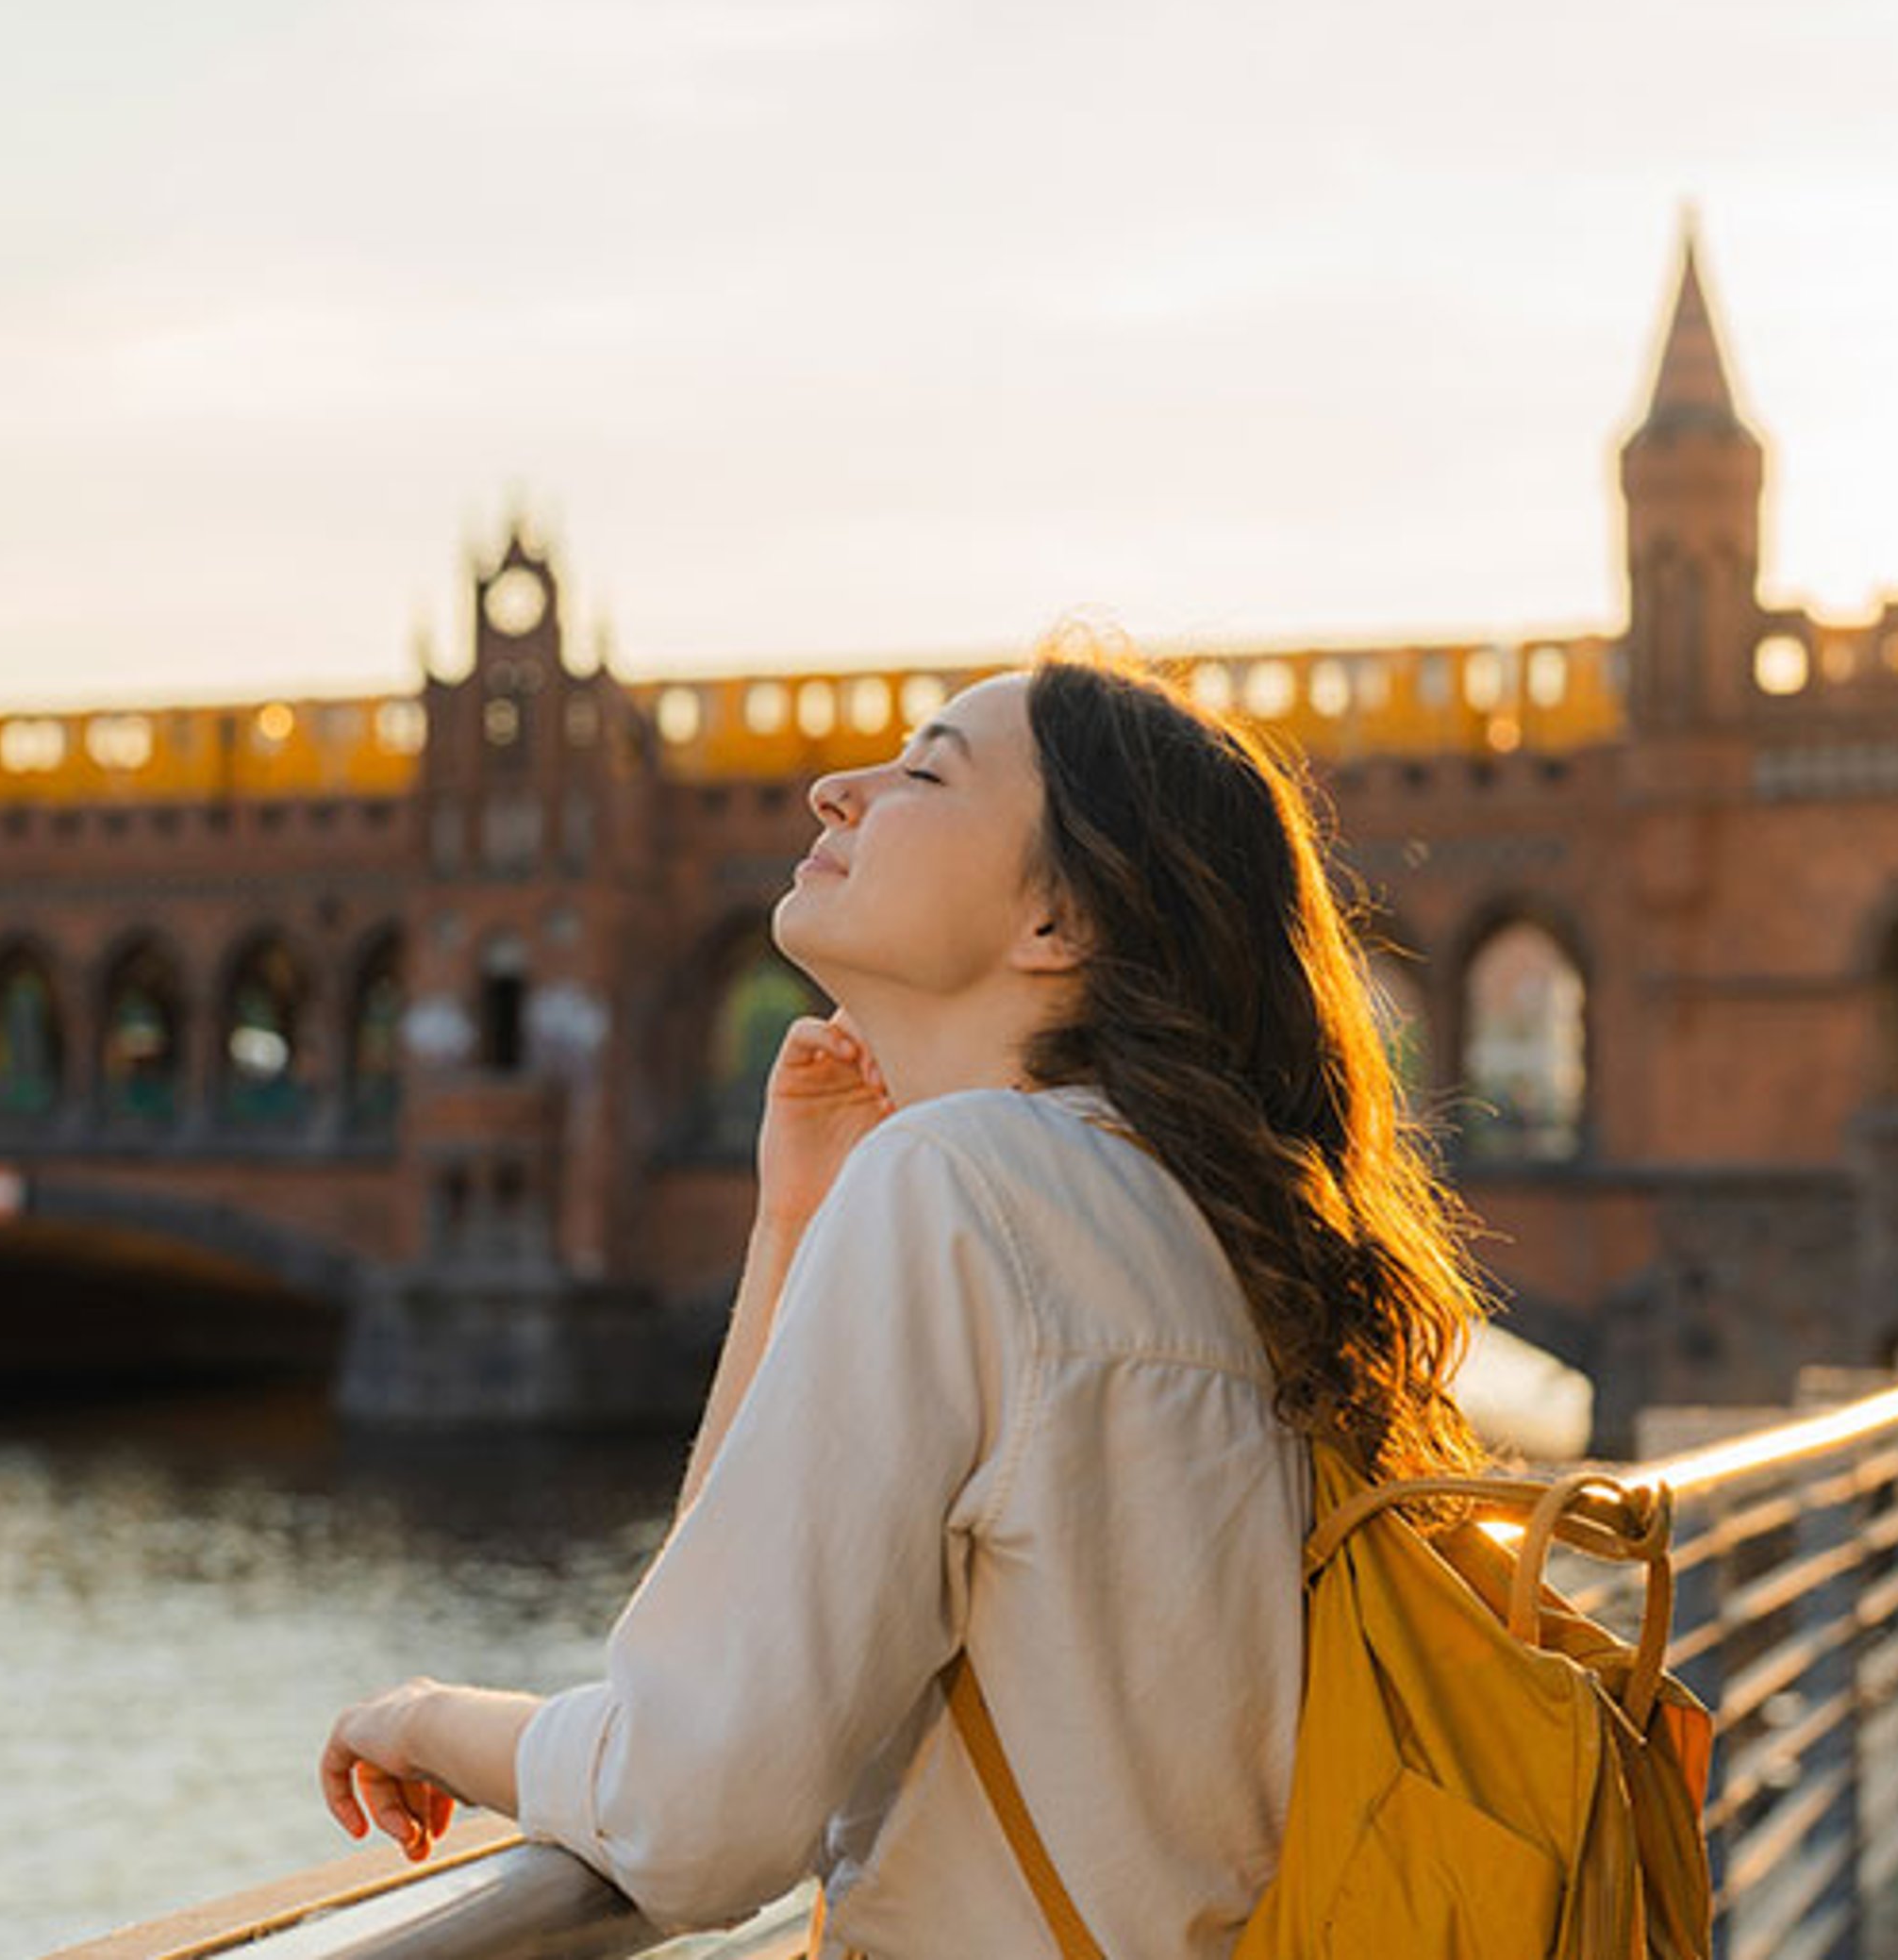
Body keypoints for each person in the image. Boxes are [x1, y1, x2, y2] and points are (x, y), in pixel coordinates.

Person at [314, 650, 1498, 1954]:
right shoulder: (1198, 1216)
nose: (835, 789)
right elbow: (725, 1624)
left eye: (925, 770)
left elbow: (690, 1806)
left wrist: (425, 1718)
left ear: (1060, 924)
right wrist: (794, 1222)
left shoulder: (961, 1186)